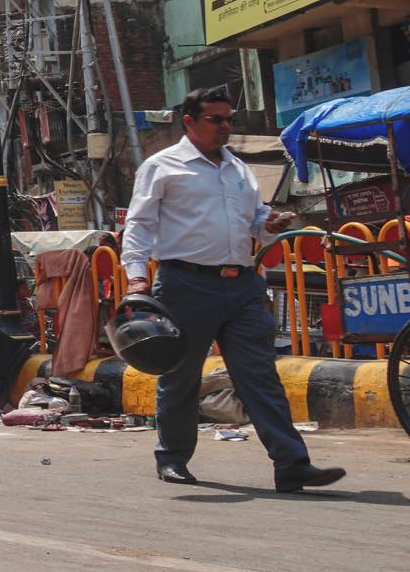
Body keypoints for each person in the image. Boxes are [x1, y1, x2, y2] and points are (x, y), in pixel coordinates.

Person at [122, 88, 343, 492]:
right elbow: (139, 224)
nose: (226, 127)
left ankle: (292, 464)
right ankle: (172, 458)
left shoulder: (238, 169)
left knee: (260, 375)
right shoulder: (161, 166)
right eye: (216, 120)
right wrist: (136, 277)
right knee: (181, 375)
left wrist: (269, 222)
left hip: (241, 284)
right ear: (189, 122)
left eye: (229, 120)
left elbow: (254, 219)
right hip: (184, 283)